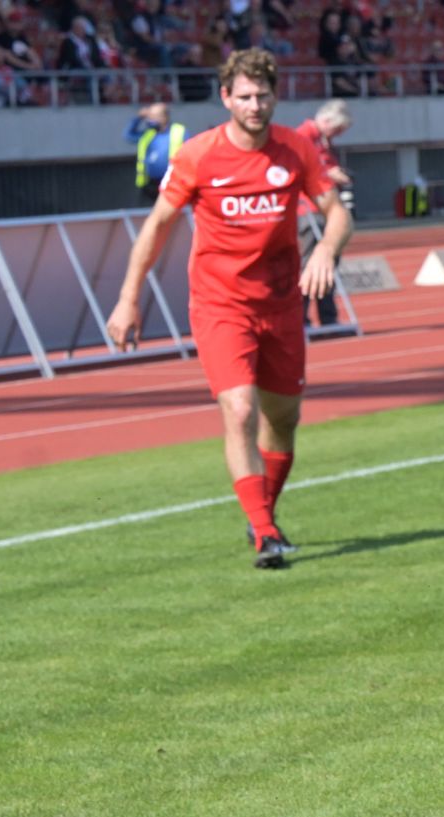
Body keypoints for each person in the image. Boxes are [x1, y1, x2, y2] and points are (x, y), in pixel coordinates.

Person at [104, 49, 351, 571]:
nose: (255, 105)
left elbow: (336, 214)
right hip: (220, 304)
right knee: (239, 409)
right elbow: (157, 227)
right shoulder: (198, 155)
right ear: (226, 98)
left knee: (283, 420)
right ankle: (264, 534)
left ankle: (262, 511)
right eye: (244, 96)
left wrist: (327, 249)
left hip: (282, 305)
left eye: (263, 95)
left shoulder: (296, 149)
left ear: (275, 96)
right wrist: (128, 298)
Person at [296, 100, 353, 326]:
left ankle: (328, 317)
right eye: (337, 129)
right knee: (308, 263)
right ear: (327, 121)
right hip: (309, 211)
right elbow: (302, 172)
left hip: (326, 210)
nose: (338, 135)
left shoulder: (322, 140)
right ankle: (301, 319)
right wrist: (331, 174)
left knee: (329, 264)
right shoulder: (302, 137)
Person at [125, 101, 186, 203]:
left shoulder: (178, 132)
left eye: (153, 116)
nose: (149, 119)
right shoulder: (148, 134)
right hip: (149, 186)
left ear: (164, 117)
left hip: (172, 184)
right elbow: (128, 135)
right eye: (149, 116)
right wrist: (139, 117)